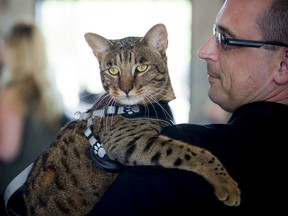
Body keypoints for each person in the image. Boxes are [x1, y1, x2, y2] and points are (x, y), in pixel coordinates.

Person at [87, 0, 288, 214]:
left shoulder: (176, 153)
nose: (204, 51)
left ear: (283, 65)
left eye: (225, 39)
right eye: (214, 32)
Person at [0, 20, 70, 215]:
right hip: (43, 190)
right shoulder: (49, 91)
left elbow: (7, 151)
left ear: (15, 51)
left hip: (14, 193)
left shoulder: (13, 92)